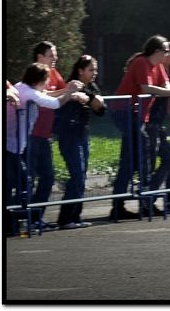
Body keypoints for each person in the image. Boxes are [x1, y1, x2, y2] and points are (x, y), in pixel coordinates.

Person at [110, 35, 170, 221]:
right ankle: (136, 197)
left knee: (131, 160)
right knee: (139, 154)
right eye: (166, 51)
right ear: (156, 51)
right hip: (125, 112)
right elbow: (147, 88)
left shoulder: (160, 66)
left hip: (138, 116)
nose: (169, 54)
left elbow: (166, 85)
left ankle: (129, 201)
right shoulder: (141, 63)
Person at [6, 64, 87, 235]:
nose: (49, 82)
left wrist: (67, 92)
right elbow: (55, 103)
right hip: (10, 145)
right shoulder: (29, 93)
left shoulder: (23, 87)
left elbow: (46, 94)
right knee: (20, 182)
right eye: (47, 79)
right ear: (40, 80)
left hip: (14, 144)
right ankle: (12, 219)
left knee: (17, 182)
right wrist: (69, 91)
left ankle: (13, 220)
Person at [28, 41, 84, 227]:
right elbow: (43, 96)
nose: (56, 58)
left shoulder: (55, 73)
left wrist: (75, 94)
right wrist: (69, 91)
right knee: (24, 179)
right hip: (30, 135)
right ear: (40, 57)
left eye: (55, 54)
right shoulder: (35, 74)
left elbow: (63, 93)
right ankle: (19, 218)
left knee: (48, 177)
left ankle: (36, 218)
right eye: (51, 55)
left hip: (45, 135)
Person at [55, 55, 107, 229]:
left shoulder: (90, 86)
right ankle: (65, 218)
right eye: (91, 70)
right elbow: (94, 101)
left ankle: (75, 216)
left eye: (96, 70)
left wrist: (94, 99)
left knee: (82, 175)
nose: (95, 73)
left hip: (82, 134)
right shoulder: (73, 85)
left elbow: (101, 110)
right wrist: (93, 99)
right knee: (77, 174)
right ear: (81, 71)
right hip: (69, 135)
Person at [146, 41, 170, 201]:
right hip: (148, 122)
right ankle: (145, 201)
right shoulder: (153, 67)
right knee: (148, 164)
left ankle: (149, 198)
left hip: (159, 124)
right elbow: (147, 87)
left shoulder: (169, 71)